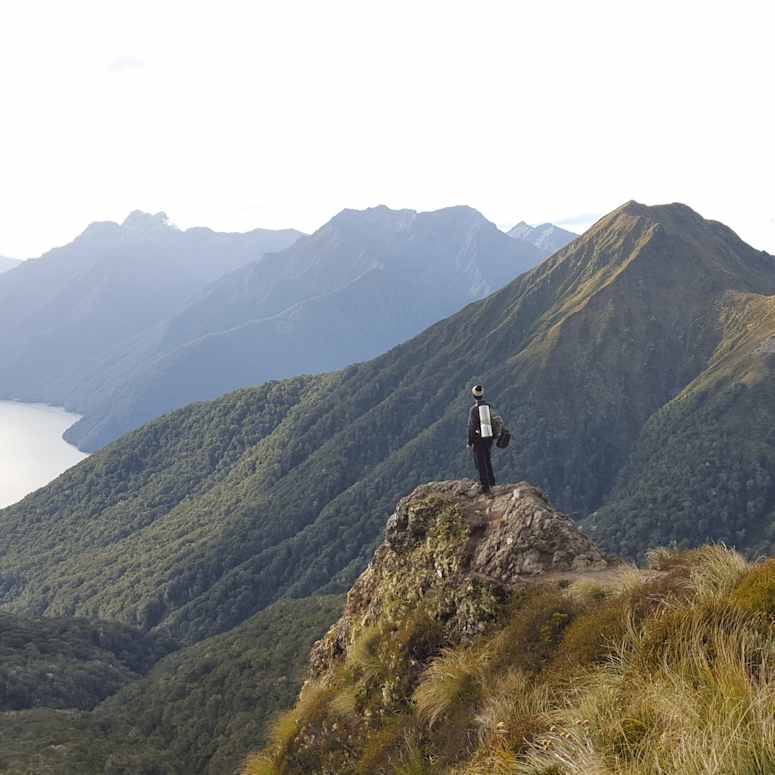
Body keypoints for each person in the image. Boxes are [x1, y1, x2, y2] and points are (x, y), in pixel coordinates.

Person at [467, 384, 496, 494]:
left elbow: (472, 427)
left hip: (478, 439)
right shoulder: (489, 406)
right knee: (487, 459)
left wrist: (470, 441)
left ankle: (485, 486)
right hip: (489, 437)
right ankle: (492, 482)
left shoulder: (474, 410)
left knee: (480, 462)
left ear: (473, 395)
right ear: (483, 394)